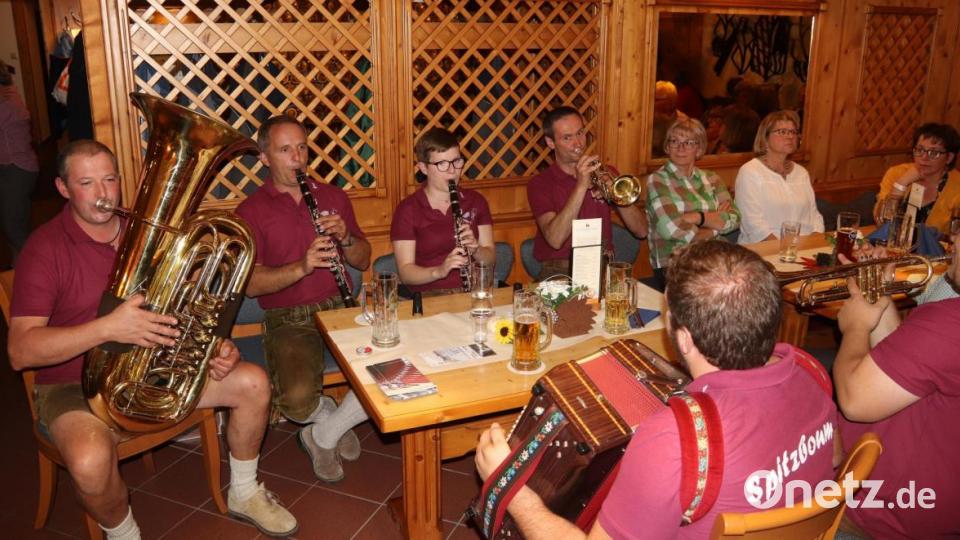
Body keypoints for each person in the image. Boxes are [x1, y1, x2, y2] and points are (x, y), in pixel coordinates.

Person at [6, 140, 297, 538]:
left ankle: (245, 492)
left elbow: (184, 308)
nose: (103, 194)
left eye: (109, 180)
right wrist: (106, 328)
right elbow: (21, 351)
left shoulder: (149, 234)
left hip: (155, 368)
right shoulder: (44, 249)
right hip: (72, 384)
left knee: (253, 383)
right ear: (63, 188)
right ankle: (124, 533)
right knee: (90, 463)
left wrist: (210, 345)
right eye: (87, 183)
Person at [475, 240, 838, 539]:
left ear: (684, 340)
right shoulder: (813, 373)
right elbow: (834, 459)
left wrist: (513, 490)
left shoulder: (674, 439)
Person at [236, 115, 371, 483]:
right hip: (288, 316)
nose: (297, 158)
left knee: (391, 373)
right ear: (264, 157)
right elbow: (250, 285)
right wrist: (302, 266)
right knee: (295, 402)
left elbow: (364, 258)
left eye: (302, 147)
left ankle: (322, 433)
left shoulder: (332, 196)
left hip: (340, 308)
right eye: (284, 150)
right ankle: (327, 416)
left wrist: (346, 239)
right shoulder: (250, 211)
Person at [834, 264, 960, 538]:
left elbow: (854, 400)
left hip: (888, 510)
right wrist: (880, 302)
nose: (954, 243)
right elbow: (906, 363)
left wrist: (855, 326)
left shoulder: (951, 320)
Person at [526, 107, 648, 280]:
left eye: (580, 133)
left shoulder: (607, 173)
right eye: (567, 138)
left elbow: (642, 231)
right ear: (550, 142)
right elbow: (555, 239)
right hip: (560, 271)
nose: (578, 143)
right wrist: (581, 186)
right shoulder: (539, 184)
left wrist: (618, 198)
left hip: (603, 267)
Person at [391, 127, 495, 295]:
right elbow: (405, 273)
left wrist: (476, 249)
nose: (452, 170)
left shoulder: (476, 201)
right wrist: (439, 271)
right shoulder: (408, 209)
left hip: (475, 291)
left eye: (456, 161)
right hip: (429, 296)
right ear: (423, 168)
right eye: (442, 164)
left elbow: (490, 260)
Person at [646, 118, 740, 290]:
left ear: (699, 148)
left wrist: (696, 217)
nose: (681, 147)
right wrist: (714, 227)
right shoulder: (658, 180)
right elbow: (671, 229)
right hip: (674, 264)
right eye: (674, 141)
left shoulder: (712, 178)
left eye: (689, 142)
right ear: (667, 147)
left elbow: (734, 218)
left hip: (714, 258)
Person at [735, 110, 824, 244]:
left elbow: (814, 215)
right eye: (782, 132)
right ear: (765, 137)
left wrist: (814, 241)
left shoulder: (801, 173)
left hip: (804, 247)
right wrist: (782, 249)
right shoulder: (750, 171)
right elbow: (753, 223)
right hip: (764, 250)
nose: (789, 137)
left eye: (793, 132)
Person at [872, 123, 960, 234]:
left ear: (949, 157)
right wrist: (902, 183)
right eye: (920, 150)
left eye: (934, 153)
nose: (924, 157)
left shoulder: (957, 187)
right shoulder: (897, 173)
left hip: (937, 250)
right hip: (893, 247)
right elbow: (881, 221)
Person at [0, 59, 39, 265]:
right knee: (16, 226)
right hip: (16, 169)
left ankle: (38, 270)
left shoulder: (6, 102)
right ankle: (20, 273)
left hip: (16, 170)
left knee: (14, 227)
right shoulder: (8, 94)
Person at [652, 81, 689, 158]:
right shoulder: (647, 119)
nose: (652, 102)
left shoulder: (683, 122)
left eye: (656, 99)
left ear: (670, 100)